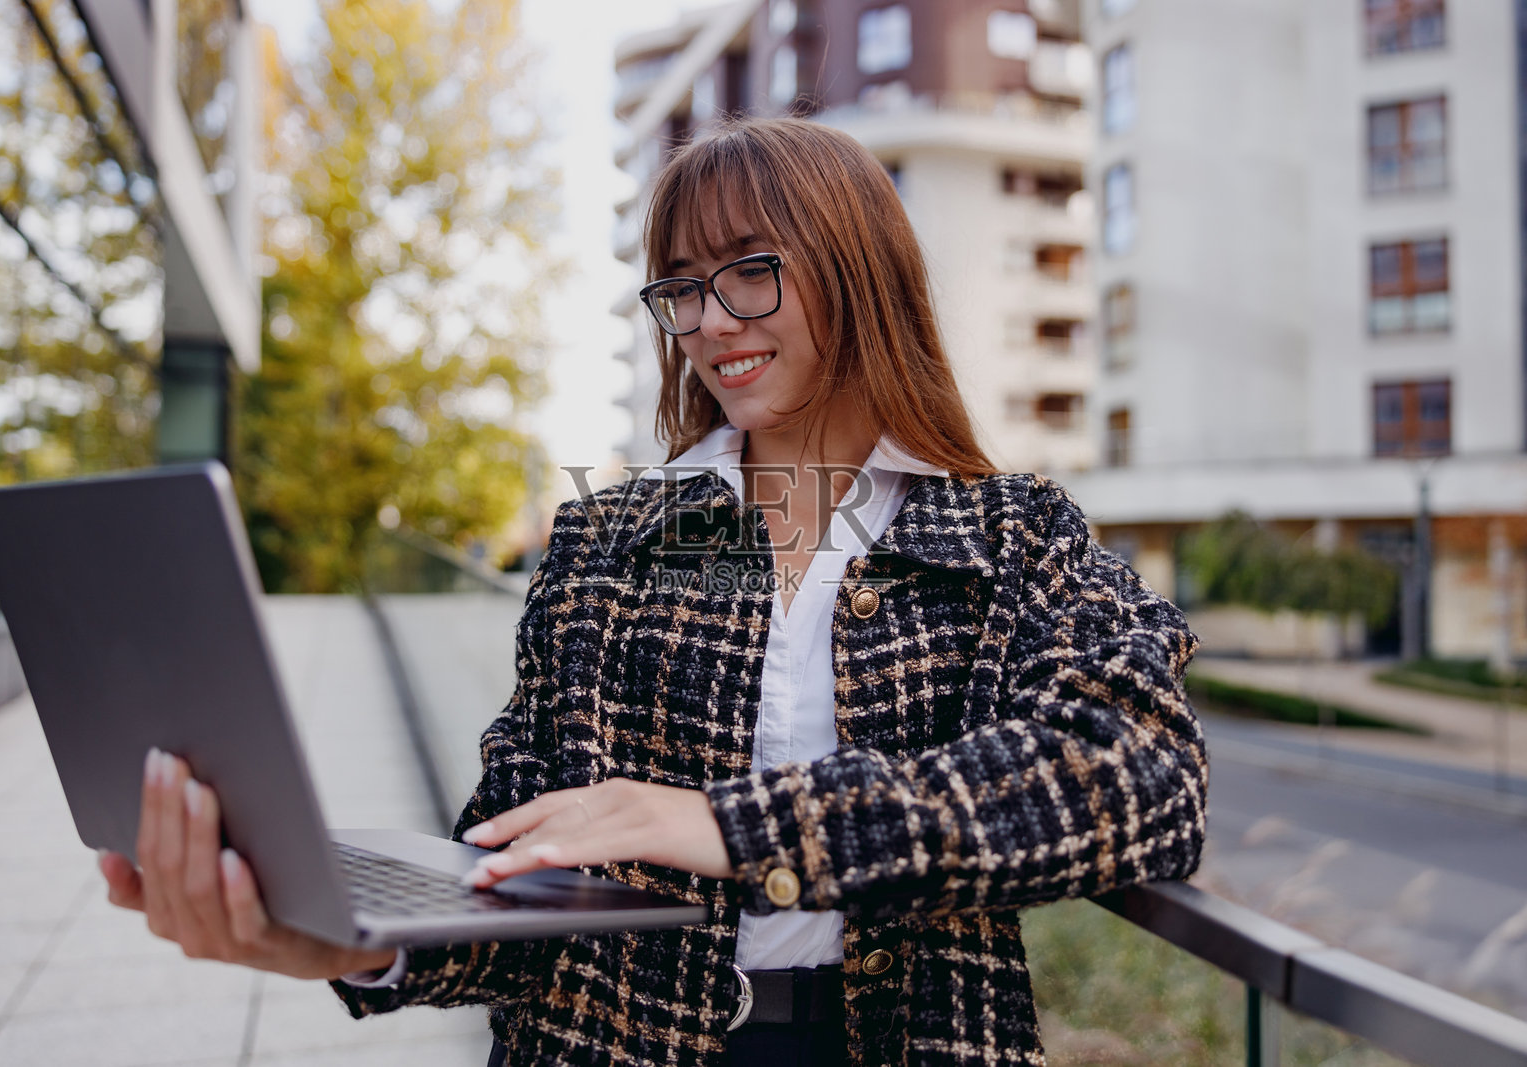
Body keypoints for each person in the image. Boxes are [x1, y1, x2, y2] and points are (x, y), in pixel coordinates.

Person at [100, 117, 1207, 1066]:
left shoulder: (1009, 531)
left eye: (751, 270)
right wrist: (356, 939)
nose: (711, 320)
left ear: (857, 270)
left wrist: (729, 823)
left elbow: (1143, 773)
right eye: (682, 288)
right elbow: (516, 856)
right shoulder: (606, 540)